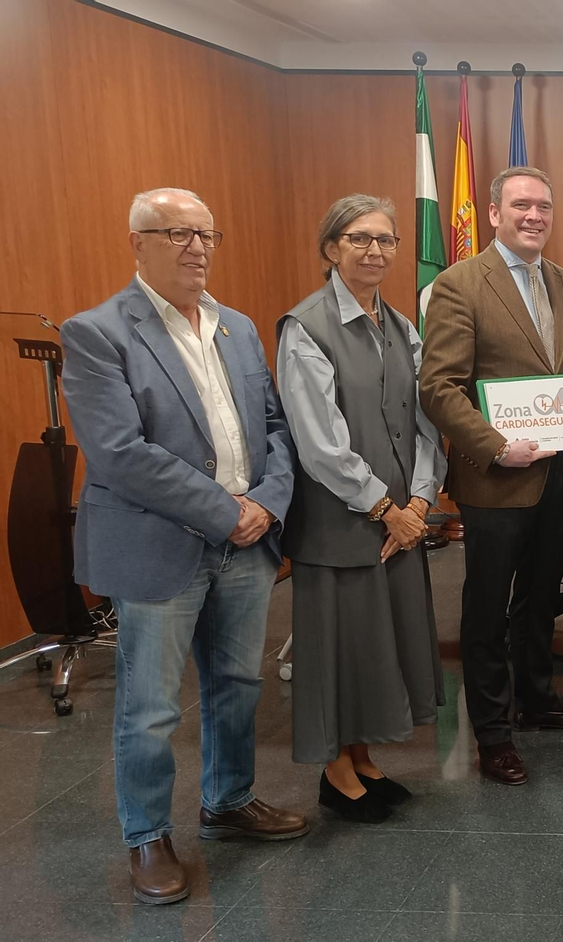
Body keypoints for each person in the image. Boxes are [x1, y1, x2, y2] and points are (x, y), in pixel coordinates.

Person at [60, 188, 306, 905]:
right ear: (137, 243)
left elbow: (275, 427)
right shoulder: (97, 333)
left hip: (246, 543)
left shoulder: (238, 327)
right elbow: (119, 453)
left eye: (206, 234)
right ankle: (147, 836)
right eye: (177, 233)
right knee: (151, 708)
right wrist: (226, 511)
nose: (197, 247)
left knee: (238, 686)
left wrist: (266, 504)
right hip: (158, 545)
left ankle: (228, 801)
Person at [419, 167, 563, 786]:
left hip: (557, 474)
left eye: (544, 206)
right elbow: (438, 387)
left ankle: (537, 700)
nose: (535, 216)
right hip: (496, 477)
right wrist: (495, 446)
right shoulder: (459, 285)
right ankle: (492, 731)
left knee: (539, 596)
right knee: (487, 606)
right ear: (494, 213)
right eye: (521, 205)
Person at [276, 195, 448, 821]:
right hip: (341, 523)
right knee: (338, 648)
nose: (375, 250)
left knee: (379, 642)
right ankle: (334, 771)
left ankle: (363, 757)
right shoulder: (306, 327)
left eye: (385, 239)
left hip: (401, 520)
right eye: (358, 238)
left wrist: (421, 498)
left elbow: (428, 423)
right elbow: (319, 443)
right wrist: (386, 508)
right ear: (331, 249)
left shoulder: (402, 326)